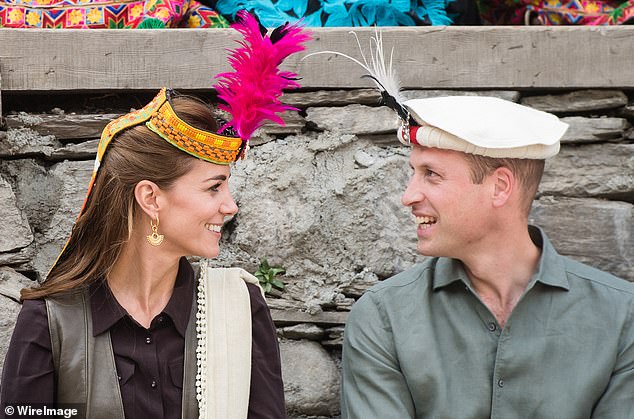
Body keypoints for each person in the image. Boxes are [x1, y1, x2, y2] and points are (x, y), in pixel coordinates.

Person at [0, 12, 310, 419]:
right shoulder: (51, 322)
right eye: (214, 187)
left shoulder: (238, 307)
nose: (230, 205)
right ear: (150, 198)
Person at [340, 96, 634, 418]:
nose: (408, 196)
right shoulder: (384, 319)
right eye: (414, 172)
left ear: (500, 187)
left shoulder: (622, 319)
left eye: (432, 174)